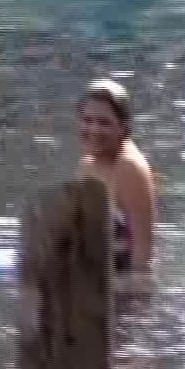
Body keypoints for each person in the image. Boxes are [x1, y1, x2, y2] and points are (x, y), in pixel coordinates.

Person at [76, 79, 157, 274]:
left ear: (123, 126)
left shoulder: (129, 168)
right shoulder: (87, 165)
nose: (94, 130)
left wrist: (135, 289)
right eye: (87, 120)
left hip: (122, 279)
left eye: (104, 123)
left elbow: (143, 253)